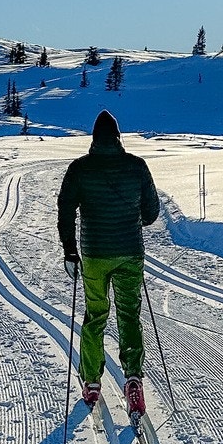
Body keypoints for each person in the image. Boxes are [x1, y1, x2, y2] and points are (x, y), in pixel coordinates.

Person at [57, 109, 160, 418]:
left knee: (95, 315)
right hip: (130, 252)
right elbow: (152, 212)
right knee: (129, 315)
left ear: (93, 138)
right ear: (118, 137)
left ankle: (91, 381)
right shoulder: (137, 166)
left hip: (94, 255)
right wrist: (133, 221)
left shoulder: (79, 169)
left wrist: (70, 251)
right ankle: (133, 379)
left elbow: (65, 210)